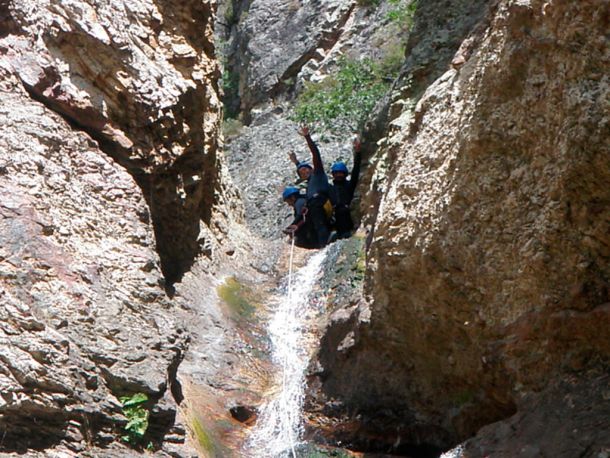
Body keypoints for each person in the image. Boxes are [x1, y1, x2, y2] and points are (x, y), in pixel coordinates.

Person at [328, 137, 362, 238]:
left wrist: (358, 153)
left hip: (348, 216)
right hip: (336, 218)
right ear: (333, 175)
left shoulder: (349, 185)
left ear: (345, 174)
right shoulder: (330, 189)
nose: (339, 175)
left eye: (341, 173)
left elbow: (356, 171)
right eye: (337, 173)